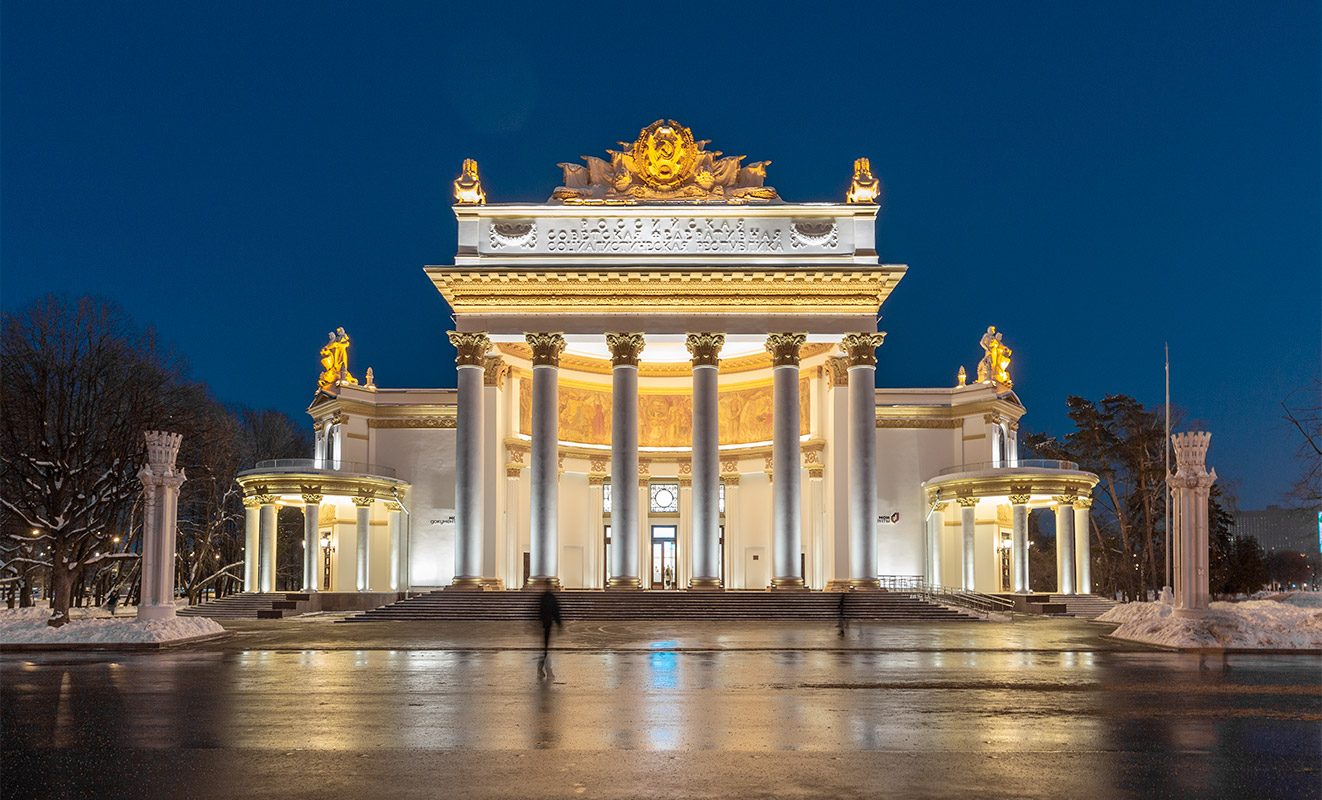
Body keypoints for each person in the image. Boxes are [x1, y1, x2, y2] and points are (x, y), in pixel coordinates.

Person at [537, 590, 563, 681]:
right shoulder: (550, 597)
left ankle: (543, 668)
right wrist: (559, 623)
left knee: (546, 647)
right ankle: (544, 669)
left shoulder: (544, 596)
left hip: (544, 624)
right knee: (546, 648)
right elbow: (555, 611)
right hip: (547, 624)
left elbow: (538, 610)